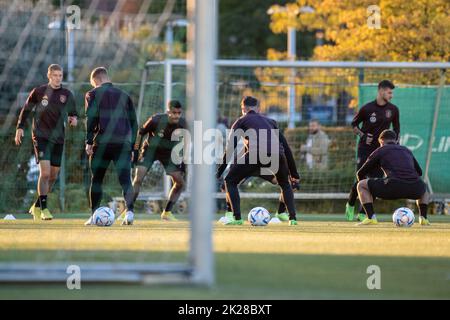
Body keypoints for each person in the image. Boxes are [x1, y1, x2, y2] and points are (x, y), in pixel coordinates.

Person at [217, 96, 299, 226]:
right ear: (258, 109)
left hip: (255, 156)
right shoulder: (271, 122)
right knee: (285, 184)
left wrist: (219, 171)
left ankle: (236, 218)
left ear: (243, 109)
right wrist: (294, 174)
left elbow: (230, 149)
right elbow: (286, 148)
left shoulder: (241, 121)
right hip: (278, 155)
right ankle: (293, 219)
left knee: (230, 181)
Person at [15, 64, 78, 220]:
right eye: (55, 75)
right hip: (41, 137)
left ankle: (37, 205)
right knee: (45, 173)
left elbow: (74, 114)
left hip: (58, 139)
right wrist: (20, 128)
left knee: (54, 175)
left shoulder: (67, 94)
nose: (58, 78)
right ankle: (44, 209)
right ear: (49, 76)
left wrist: (73, 120)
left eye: (60, 75)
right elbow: (26, 110)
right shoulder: (39, 92)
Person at [84, 67, 138, 226]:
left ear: (97, 80)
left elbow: (91, 119)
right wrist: (133, 147)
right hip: (123, 143)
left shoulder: (92, 94)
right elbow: (134, 124)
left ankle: (93, 215)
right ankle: (130, 213)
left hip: (101, 143)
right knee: (125, 180)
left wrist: (88, 141)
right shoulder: (125, 95)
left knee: (97, 180)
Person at [346, 80, 400, 221]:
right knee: (361, 178)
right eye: (389, 92)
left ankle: (363, 213)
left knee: (375, 182)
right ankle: (351, 203)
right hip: (365, 149)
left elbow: (397, 129)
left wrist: (394, 145)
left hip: (382, 151)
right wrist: (363, 136)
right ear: (381, 91)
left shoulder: (393, 110)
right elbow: (353, 124)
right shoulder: (367, 108)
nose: (391, 95)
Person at [356, 129, 430, 226]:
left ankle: (371, 218)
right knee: (424, 188)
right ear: (396, 140)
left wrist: (369, 193)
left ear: (381, 141)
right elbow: (419, 172)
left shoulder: (380, 150)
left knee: (361, 185)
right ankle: (423, 218)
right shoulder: (406, 150)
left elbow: (360, 173)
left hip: (393, 186)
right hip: (414, 188)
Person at [131, 100, 187, 222]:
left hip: (168, 154)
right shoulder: (155, 120)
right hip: (150, 150)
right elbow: (141, 133)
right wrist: (135, 151)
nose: (177, 115)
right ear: (168, 112)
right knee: (138, 178)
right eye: (174, 113)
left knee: (180, 183)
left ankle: (167, 212)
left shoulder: (182, 124)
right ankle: (129, 210)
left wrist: (183, 161)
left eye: (179, 113)